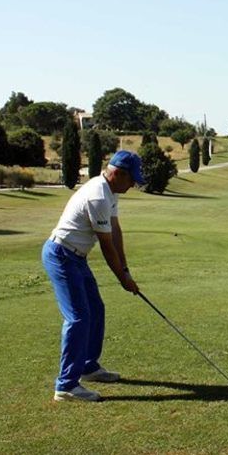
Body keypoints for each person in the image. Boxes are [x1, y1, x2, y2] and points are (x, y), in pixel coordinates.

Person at [41, 150, 144, 402]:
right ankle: (65, 385)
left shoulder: (111, 192)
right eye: (132, 179)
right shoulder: (98, 195)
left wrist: (126, 270)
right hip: (62, 255)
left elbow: (116, 231)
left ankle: (87, 366)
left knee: (95, 309)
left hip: (76, 258)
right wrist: (122, 279)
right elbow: (106, 245)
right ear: (118, 173)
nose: (133, 184)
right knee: (78, 318)